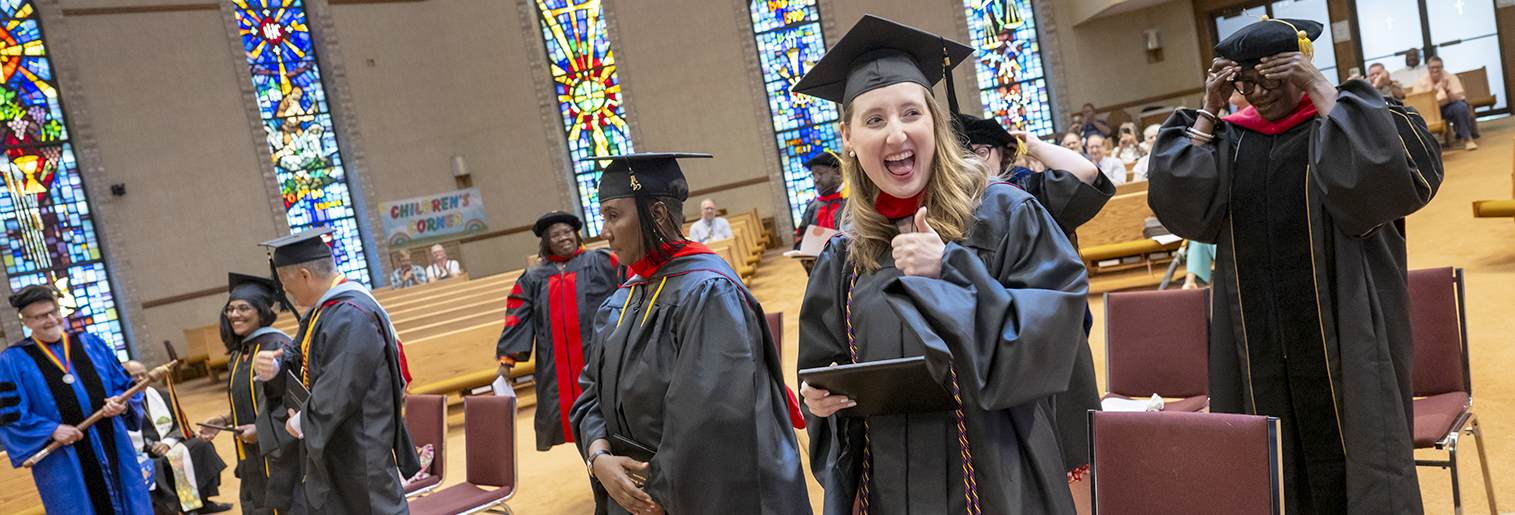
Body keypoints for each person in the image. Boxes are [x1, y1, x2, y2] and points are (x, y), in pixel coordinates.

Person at [791, 15, 1092, 514]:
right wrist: (820, 397)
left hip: (997, 475)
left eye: (911, 113)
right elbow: (825, 365)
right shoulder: (845, 254)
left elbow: (1051, 342)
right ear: (847, 135)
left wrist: (951, 271)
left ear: (934, 121)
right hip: (885, 485)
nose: (896, 134)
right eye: (874, 120)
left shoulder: (1007, 215)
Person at [1149, 17, 1441, 515]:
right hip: (1256, 333)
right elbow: (1184, 208)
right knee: (1266, 461)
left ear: (1301, 67)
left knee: (1361, 444)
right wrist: (1209, 110)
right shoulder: (1232, 139)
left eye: (1274, 78)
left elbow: (1392, 181)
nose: (1259, 94)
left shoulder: (1353, 118)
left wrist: (1322, 89)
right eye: (1247, 82)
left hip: (1344, 322)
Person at [569, 153, 810, 514]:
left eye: (613, 216)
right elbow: (590, 393)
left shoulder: (708, 292)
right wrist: (599, 456)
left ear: (657, 215)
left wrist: (650, 493)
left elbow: (707, 423)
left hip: (687, 498)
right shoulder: (620, 301)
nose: (604, 231)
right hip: (630, 490)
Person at [954, 110, 1110, 510]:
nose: (970, 159)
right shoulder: (947, 211)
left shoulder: (1027, 192)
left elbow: (1085, 175)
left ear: (1002, 154)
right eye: (958, 151)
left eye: (980, 150)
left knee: (1071, 442)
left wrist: (1032, 145)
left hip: (1049, 339)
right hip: (989, 352)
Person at [252, 228, 421, 515]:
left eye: (284, 282)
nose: (286, 291)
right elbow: (297, 356)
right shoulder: (323, 311)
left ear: (305, 275)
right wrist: (275, 367)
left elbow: (341, 385)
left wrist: (302, 422)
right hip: (339, 443)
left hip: (360, 446)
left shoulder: (351, 313)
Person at [0, 284, 153, 515]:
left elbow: (126, 387)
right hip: (63, 456)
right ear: (26, 321)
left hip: (112, 441)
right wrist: (51, 429)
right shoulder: (12, 361)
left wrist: (120, 403)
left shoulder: (92, 343)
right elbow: (10, 415)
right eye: (41, 316)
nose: (51, 319)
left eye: (54, 312)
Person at [497, 211, 622, 452]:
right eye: (555, 235)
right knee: (572, 422)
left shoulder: (602, 261)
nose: (564, 238)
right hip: (556, 367)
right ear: (546, 241)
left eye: (567, 232)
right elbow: (517, 317)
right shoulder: (533, 277)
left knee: (609, 413)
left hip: (598, 358)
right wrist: (506, 361)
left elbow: (634, 280)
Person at [197, 273, 304, 515]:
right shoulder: (239, 354)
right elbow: (252, 402)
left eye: (244, 308)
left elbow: (295, 403)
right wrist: (224, 421)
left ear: (261, 311)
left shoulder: (278, 347)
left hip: (283, 460)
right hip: (251, 460)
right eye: (230, 309)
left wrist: (262, 430)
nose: (235, 315)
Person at [123, 360, 229, 515]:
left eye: (143, 375)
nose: (140, 379)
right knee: (159, 465)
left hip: (168, 447)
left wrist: (167, 443)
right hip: (139, 454)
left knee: (201, 446)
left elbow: (180, 424)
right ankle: (183, 508)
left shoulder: (162, 396)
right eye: (134, 376)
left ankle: (203, 503)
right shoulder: (120, 405)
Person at [1414, 56, 1478, 150]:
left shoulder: (1451, 78)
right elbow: (1418, 101)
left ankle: (1468, 139)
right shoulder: (1421, 82)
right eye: (1432, 67)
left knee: (1461, 107)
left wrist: (1446, 91)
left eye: (1438, 67)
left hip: (1448, 107)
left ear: (1442, 67)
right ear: (1428, 68)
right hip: (1429, 111)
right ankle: (1423, 148)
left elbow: (1458, 97)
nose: (1435, 70)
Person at [794, 151, 847, 250]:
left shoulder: (850, 204)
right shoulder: (813, 207)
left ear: (838, 172)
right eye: (813, 174)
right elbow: (801, 237)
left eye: (820, 173)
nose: (816, 179)